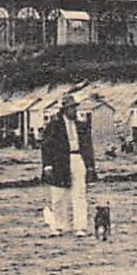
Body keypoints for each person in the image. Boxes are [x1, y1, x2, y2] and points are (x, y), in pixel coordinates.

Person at [40, 95, 95, 237]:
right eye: (71, 108)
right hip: (60, 161)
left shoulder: (81, 125)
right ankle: (59, 226)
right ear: (64, 109)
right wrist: (47, 165)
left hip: (78, 159)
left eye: (75, 107)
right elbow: (46, 146)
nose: (74, 111)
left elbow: (88, 146)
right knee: (59, 195)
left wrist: (90, 166)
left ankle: (80, 227)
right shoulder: (54, 125)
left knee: (80, 195)